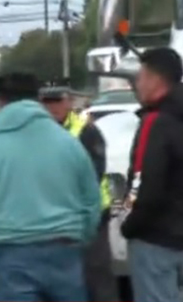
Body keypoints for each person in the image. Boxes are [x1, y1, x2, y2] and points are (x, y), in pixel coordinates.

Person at [0, 72, 100, 302]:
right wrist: (80, 238)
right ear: (38, 99)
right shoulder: (68, 143)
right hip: (64, 249)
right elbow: (91, 200)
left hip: (8, 252)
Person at [122, 48, 183, 302]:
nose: (137, 84)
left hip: (154, 237)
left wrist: (128, 222)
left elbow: (141, 181)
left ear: (154, 79)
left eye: (140, 77)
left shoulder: (155, 122)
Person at [40, 83, 119, 302]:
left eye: (57, 101)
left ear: (69, 102)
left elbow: (94, 173)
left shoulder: (86, 130)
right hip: (58, 216)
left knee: (96, 273)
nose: (53, 107)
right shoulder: (40, 132)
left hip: (91, 213)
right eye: (47, 102)